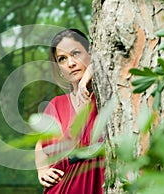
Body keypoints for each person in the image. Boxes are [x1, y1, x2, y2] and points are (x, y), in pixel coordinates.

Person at [35, 28, 104, 194]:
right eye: (62, 59)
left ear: (90, 53)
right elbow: (40, 143)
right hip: (60, 188)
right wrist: (42, 170)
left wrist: (91, 71)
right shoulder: (57, 104)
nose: (70, 63)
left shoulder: (107, 94)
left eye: (76, 53)